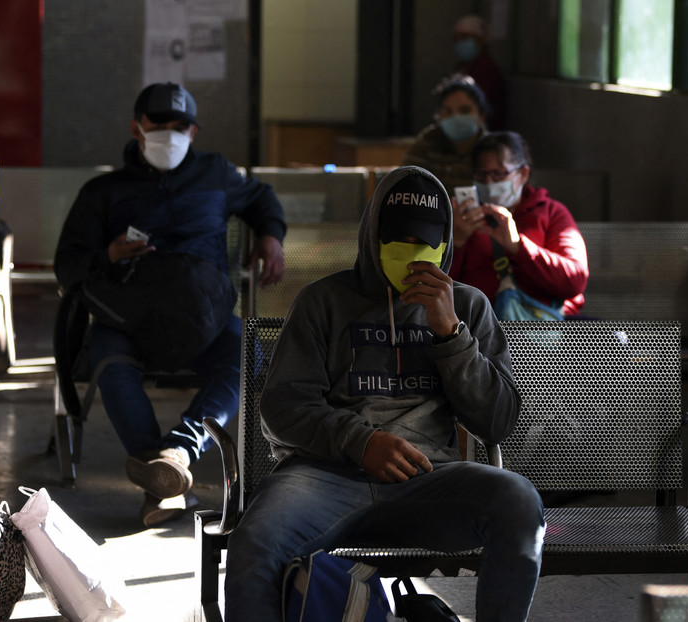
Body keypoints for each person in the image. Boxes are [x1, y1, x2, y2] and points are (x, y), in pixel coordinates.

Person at [224, 166, 545, 621]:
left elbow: (499, 421)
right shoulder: (324, 302)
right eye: (398, 242)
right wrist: (360, 441)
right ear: (372, 237)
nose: (413, 255)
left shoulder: (468, 306)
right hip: (324, 477)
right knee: (255, 540)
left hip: (429, 479)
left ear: (445, 243)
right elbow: (282, 407)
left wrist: (451, 335)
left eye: (424, 243)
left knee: (518, 501)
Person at [54, 82, 287, 527]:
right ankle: (161, 477)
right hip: (129, 320)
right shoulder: (103, 192)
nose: (169, 133)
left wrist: (271, 235)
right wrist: (110, 255)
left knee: (247, 352)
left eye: (179, 126)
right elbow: (67, 266)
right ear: (136, 129)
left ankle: (175, 454)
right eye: (158, 124)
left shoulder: (216, 174)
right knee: (109, 358)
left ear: (194, 132)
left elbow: (261, 198)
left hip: (206, 319)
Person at [449, 131, 589, 318]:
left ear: (523, 173)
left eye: (498, 174)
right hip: (479, 330)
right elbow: (441, 288)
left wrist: (517, 246)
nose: (489, 182)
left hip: (544, 332)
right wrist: (455, 241)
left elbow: (574, 281)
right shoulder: (463, 219)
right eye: (481, 174)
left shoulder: (551, 212)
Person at [402, 75, 490, 193]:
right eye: (448, 111)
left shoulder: (491, 149)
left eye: (464, 110)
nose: (456, 117)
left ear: (481, 115)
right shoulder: (426, 145)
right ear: (439, 115)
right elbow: (407, 187)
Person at [452, 14, 506, 130]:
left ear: (480, 40)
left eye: (465, 37)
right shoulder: (462, 66)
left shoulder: (486, 68)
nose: (460, 42)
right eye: (456, 38)